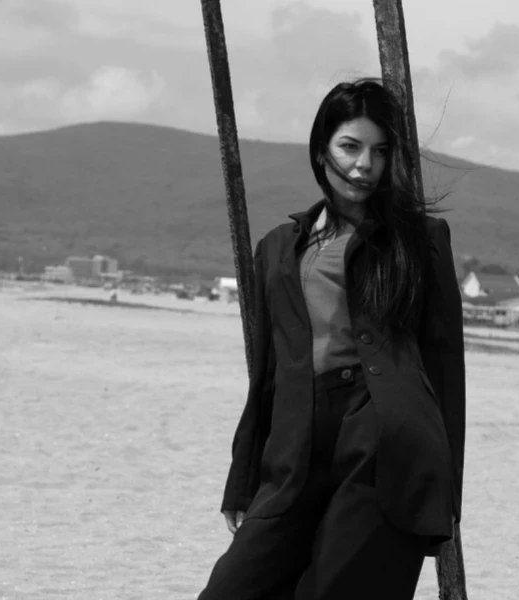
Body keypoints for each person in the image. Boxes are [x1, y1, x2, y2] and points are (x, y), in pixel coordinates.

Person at [197, 78, 466, 600]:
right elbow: (267, 374)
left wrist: (442, 495)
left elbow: (445, 368)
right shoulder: (277, 249)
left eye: (380, 151)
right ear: (322, 150)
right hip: (294, 452)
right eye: (351, 146)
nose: (365, 164)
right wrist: (243, 476)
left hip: (381, 445)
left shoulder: (419, 241)